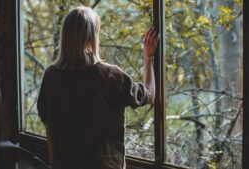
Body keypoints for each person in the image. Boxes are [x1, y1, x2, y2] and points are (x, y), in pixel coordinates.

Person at [37, 6, 160, 169]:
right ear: (91, 37)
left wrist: (55, 164)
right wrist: (148, 57)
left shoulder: (51, 75)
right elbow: (149, 94)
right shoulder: (109, 75)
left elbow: (49, 126)